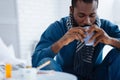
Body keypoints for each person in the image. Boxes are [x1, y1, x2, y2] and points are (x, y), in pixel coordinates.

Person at [32, 0, 120, 80]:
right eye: (81, 15)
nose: (87, 21)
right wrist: (61, 42)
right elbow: (35, 61)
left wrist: (110, 40)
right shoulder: (58, 27)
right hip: (66, 76)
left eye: (92, 15)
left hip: (97, 75)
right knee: (46, 62)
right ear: (71, 10)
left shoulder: (105, 26)